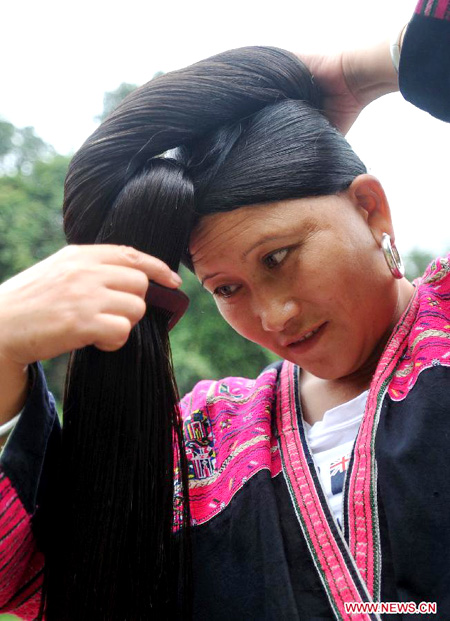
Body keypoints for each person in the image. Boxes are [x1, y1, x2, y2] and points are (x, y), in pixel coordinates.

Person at [0, 1, 449, 618]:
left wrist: (367, 68)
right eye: (227, 288)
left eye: (278, 257)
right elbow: (31, 576)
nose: (275, 315)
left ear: (371, 209)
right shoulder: (200, 442)